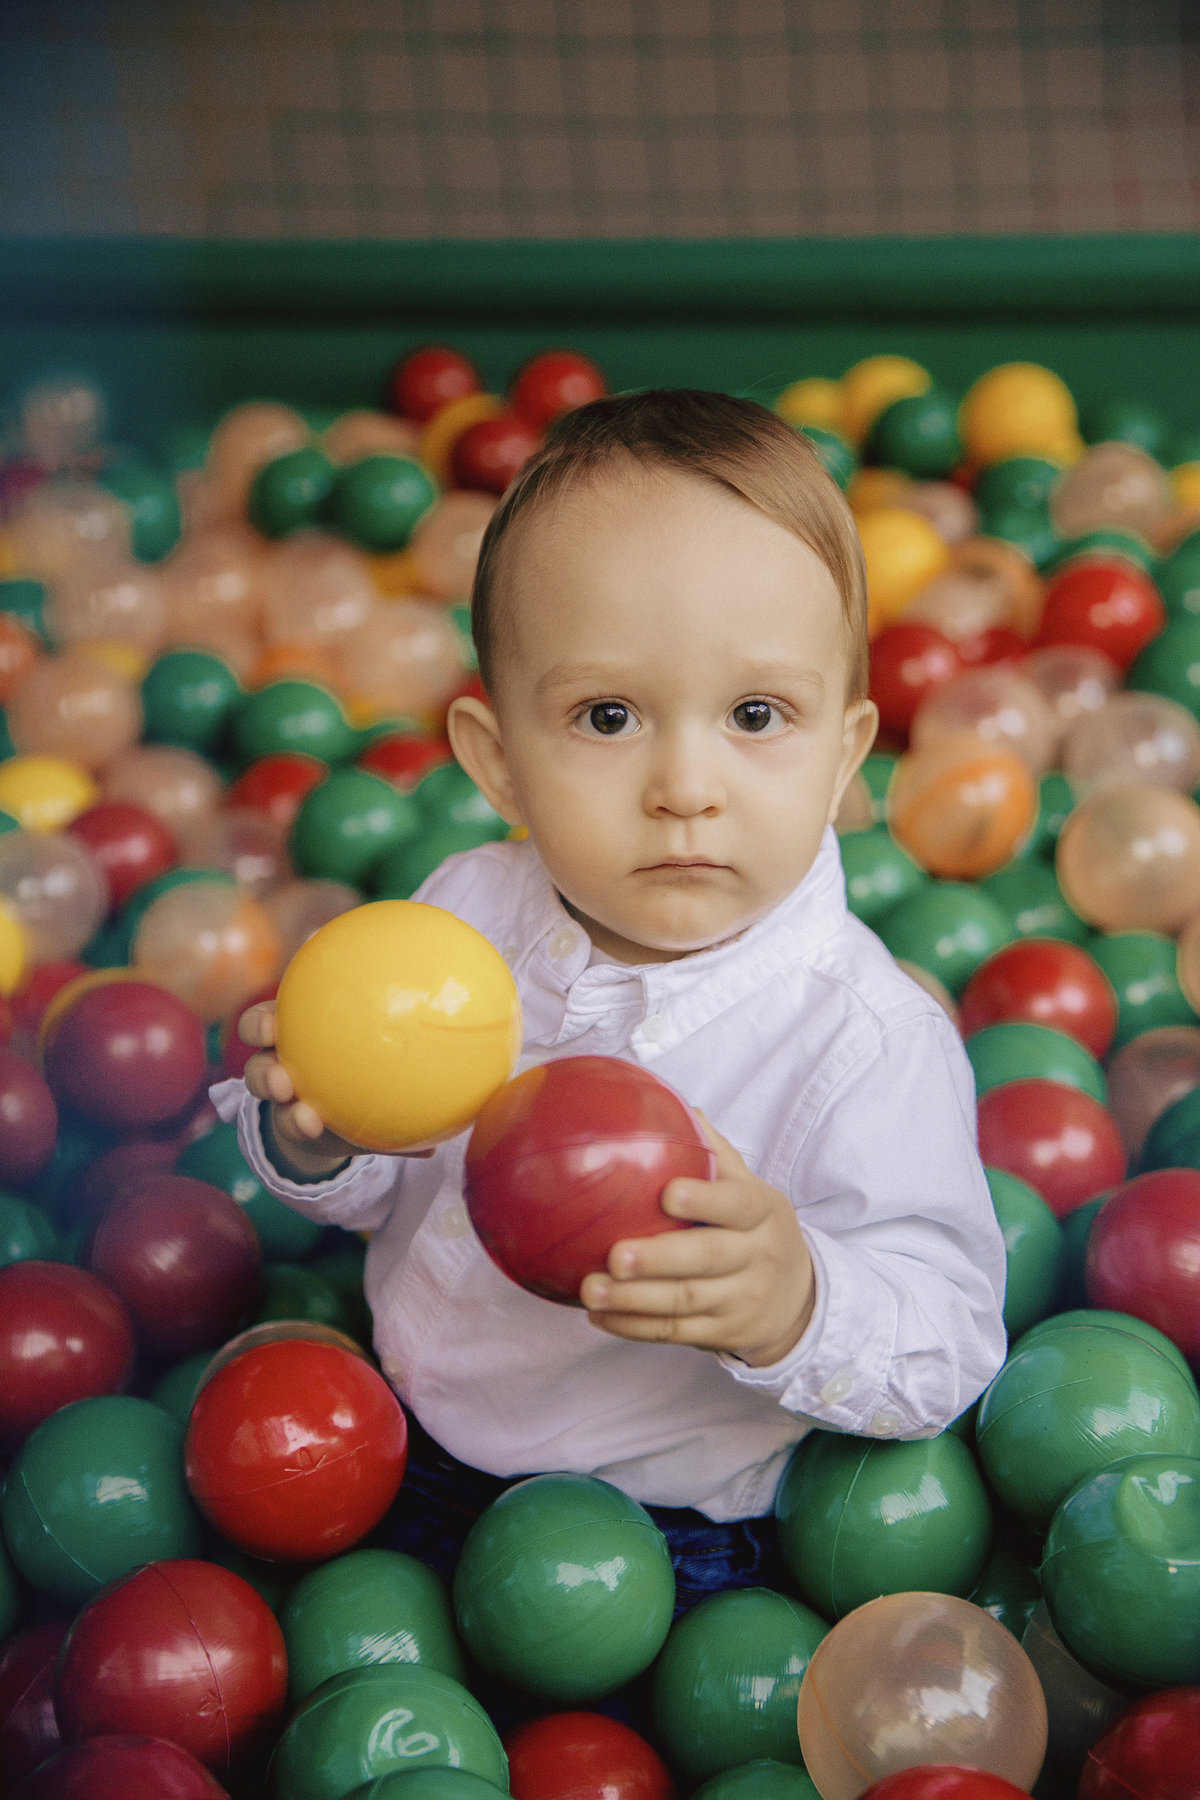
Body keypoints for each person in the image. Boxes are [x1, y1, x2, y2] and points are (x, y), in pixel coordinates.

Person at [214, 389, 1006, 1613]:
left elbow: (949, 1342)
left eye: (756, 716)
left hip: (673, 1538)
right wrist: (320, 1137)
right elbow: (389, 1189)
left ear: (845, 756)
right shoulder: (458, 917)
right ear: (495, 759)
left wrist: (796, 1299)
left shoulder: (864, 1039)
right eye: (607, 716)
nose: (684, 785)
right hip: (395, 1443)